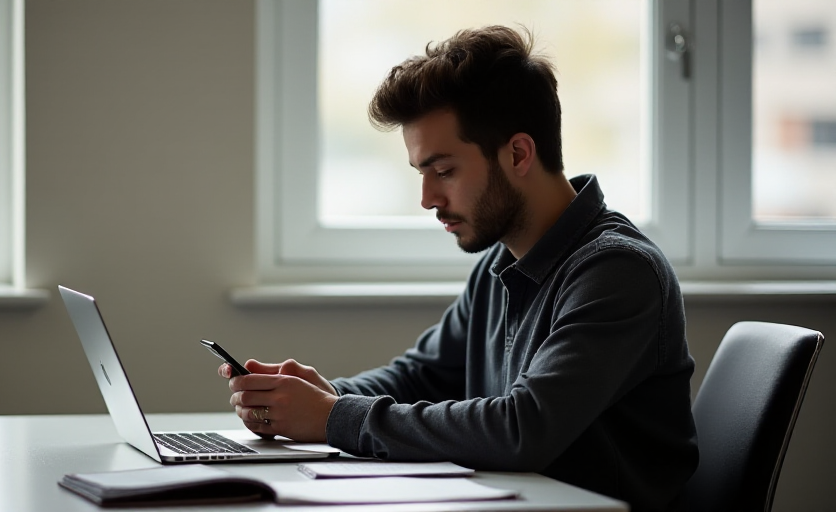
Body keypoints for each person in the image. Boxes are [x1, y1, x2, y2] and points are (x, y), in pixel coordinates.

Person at [219, 25, 698, 512]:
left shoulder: (618, 271)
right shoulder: (501, 261)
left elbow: (522, 428)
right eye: (421, 174)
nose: (427, 199)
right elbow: (420, 377)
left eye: (444, 171)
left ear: (518, 154)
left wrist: (331, 417)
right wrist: (315, 398)